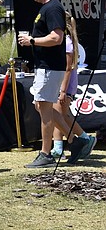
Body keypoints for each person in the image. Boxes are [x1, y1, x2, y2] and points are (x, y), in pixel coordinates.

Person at [18, 0, 92, 167]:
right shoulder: (47, 8)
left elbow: (56, 38)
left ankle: (46, 154)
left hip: (50, 67)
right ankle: (76, 140)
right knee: (43, 107)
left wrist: (32, 40)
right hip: (46, 67)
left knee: (44, 109)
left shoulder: (52, 8)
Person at [51, 11, 97, 161]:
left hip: (65, 84)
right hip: (62, 84)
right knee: (60, 115)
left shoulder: (67, 43)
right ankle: (58, 147)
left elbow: (67, 68)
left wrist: (62, 91)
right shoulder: (66, 41)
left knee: (60, 115)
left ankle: (84, 139)